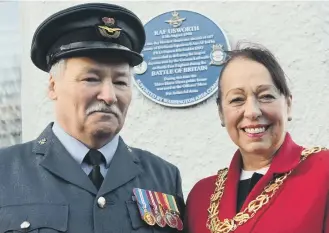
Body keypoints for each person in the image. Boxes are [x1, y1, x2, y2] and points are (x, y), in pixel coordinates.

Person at [0, 3, 184, 233]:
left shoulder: (163, 176)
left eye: (120, 82)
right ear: (53, 86)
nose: (109, 96)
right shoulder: (6, 171)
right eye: (91, 79)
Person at [185, 45, 329, 233]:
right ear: (221, 113)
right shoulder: (201, 195)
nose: (252, 111)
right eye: (237, 99)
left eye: (266, 96)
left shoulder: (322, 171)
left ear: (288, 105)